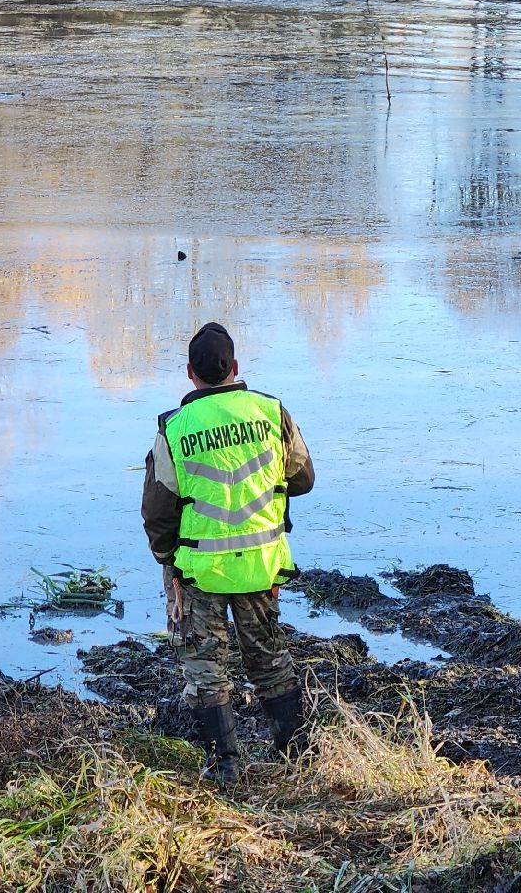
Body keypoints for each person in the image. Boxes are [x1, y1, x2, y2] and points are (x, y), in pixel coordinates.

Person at [141, 322, 316, 784]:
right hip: (261, 563)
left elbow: (157, 513)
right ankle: (296, 757)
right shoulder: (271, 413)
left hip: (200, 569)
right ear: (236, 367)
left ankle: (226, 768)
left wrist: (169, 564)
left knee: (205, 668)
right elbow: (303, 479)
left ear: (190, 373)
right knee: (269, 659)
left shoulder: (174, 429)